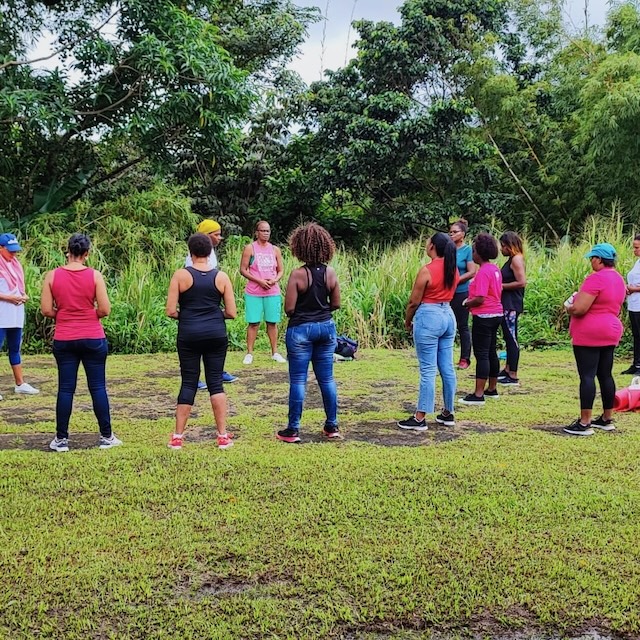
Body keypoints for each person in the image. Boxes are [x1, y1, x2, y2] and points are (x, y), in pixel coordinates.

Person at [40, 233, 121, 452]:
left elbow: (47, 310)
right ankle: (106, 436)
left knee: (65, 389)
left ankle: (61, 439)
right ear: (86, 254)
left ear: (68, 252)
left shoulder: (52, 276)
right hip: (93, 336)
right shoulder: (95, 276)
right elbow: (104, 309)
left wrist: (65, 314)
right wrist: (87, 313)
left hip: (64, 337)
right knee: (97, 387)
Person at [166, 233, 237, 450]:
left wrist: (188, 315)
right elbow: (232, 312)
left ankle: (178, 437)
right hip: (216, 333)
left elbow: (170, 311)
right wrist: (214, 314)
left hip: (189, 333)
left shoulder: (180, 275)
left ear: (190, 252)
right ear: (210, 252)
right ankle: (222, 436)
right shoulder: (222, 277)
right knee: (215, 382)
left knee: (189, 381)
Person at [277, 223, 340, 443]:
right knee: (327, 379)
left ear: (299, 247)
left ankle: (293, 429)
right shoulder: (330, 273)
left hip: (301, 329)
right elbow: (336, 303)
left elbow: (289, 309)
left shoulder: (298, 274)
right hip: (326, 327)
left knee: (298, 380)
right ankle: (331, 425)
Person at [397, 232, 459, 430]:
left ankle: (420, 417)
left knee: (427, 369)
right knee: (447, 367)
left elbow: (414, 301)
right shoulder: (453, 268)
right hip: (448, 314)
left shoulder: (427, 270)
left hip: (429, 316)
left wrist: (408, 321)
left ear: (432, 247)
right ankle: (448, 412)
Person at [563, 243, 626, 436]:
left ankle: (584, 422)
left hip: (590, 332)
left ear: (599, 259)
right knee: (605, 374)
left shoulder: (596, 279)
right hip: (611, 329)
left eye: (592, 258)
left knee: (587, 376)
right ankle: (607, 418)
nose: (591, 262)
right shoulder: (618, 279)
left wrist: (569, 306)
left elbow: (580, 308)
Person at [186, 219, 238, 385]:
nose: (219, 238)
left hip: (210, 309)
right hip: (200, 310)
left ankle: (218, 371)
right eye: (216, 235)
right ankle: (198, 378)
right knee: (199, 344)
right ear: (206, 236)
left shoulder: (211, 254)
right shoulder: (193, 259)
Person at [459, 233, 503, 406]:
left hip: (484, 315)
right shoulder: (495, 269)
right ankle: (491, 388)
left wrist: (466, 303)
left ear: (479, 253)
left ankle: (478, 394)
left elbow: (480, 298)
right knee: (491, 351)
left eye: (474, 251)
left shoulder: (484, 272)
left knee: (482, 354)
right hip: (497, 313)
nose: (472, 254)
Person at [239, 220, 286, 364]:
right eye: (263, 231)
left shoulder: (275, 249)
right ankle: (249, 353)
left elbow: (281, 270)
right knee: (253, 323)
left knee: (272, 322)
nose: (266, 233)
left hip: (272, 291)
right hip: (254, 291)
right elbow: (243, 269)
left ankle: (275, 352)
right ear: (256, 232)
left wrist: (275, 280)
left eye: (268, 231)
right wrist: (258, 281)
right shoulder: (250, 248)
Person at [0, 233, 39, 399]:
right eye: (10, 251)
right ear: (1, 248)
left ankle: (20, 383)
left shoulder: (15, 264)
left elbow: (18, 287)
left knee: (15, 348)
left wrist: (23, 296)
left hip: (15, 312)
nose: (14, 254)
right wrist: (11, 298)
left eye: (15, 251)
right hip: (2, 312)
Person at [498, 231, 526, 385]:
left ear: (510, 246)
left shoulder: (516, 259)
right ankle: (508, 368)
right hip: (507, 303)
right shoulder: (513, 259)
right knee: (508, 336)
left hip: (511, 304)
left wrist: (501, 286)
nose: (501, 249)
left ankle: (513, 374)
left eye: (503, 246)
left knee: (511, 337)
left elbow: (521, 282)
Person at [449, 219, 476, 369]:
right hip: (447, 292)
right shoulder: (448, 249)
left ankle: (465, 358)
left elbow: (472, 271)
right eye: (450, 232)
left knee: (463, 326)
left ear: (463, 234)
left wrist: (457, 280)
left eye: (455, 232)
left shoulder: (467, 250)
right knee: (448, 325)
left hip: (461, 291)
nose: (452, 234)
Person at [622, 234, 640, 375]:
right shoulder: (637, 262)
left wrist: (633, 288)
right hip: (634, 304)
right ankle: (636, 363)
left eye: (637, 248)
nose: (634, 250)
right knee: (636, 335)